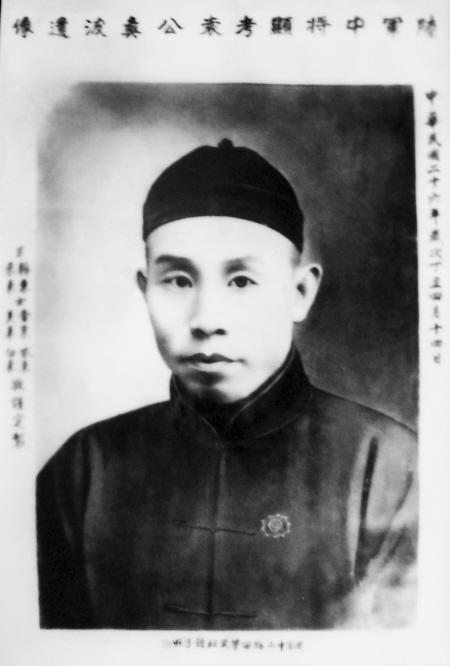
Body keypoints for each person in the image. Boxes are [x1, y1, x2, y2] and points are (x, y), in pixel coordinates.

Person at [36, 138, 417, 630]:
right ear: (145, 290)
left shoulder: (391, 469)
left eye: (241, 281)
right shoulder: (82, 472)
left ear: (300, 292)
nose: (206, 319)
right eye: (178, 280)